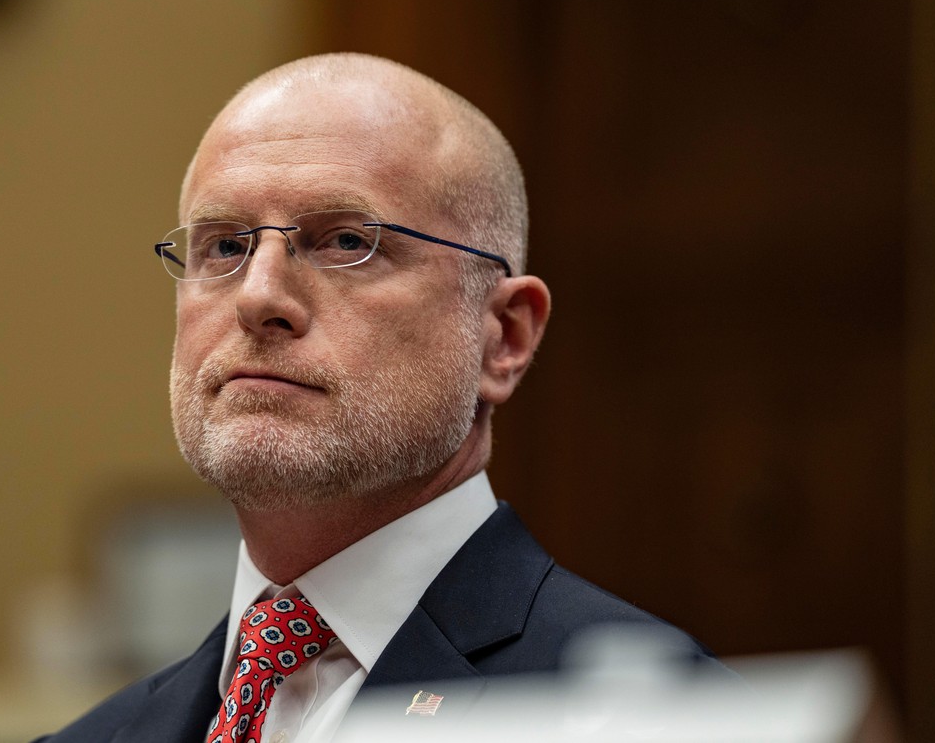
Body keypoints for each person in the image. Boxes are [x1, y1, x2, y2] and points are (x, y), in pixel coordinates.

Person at [37, 53, 719, 743]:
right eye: (225, 246)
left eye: (345, 241)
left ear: (503, 336)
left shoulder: (659, 721)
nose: (258, 296)